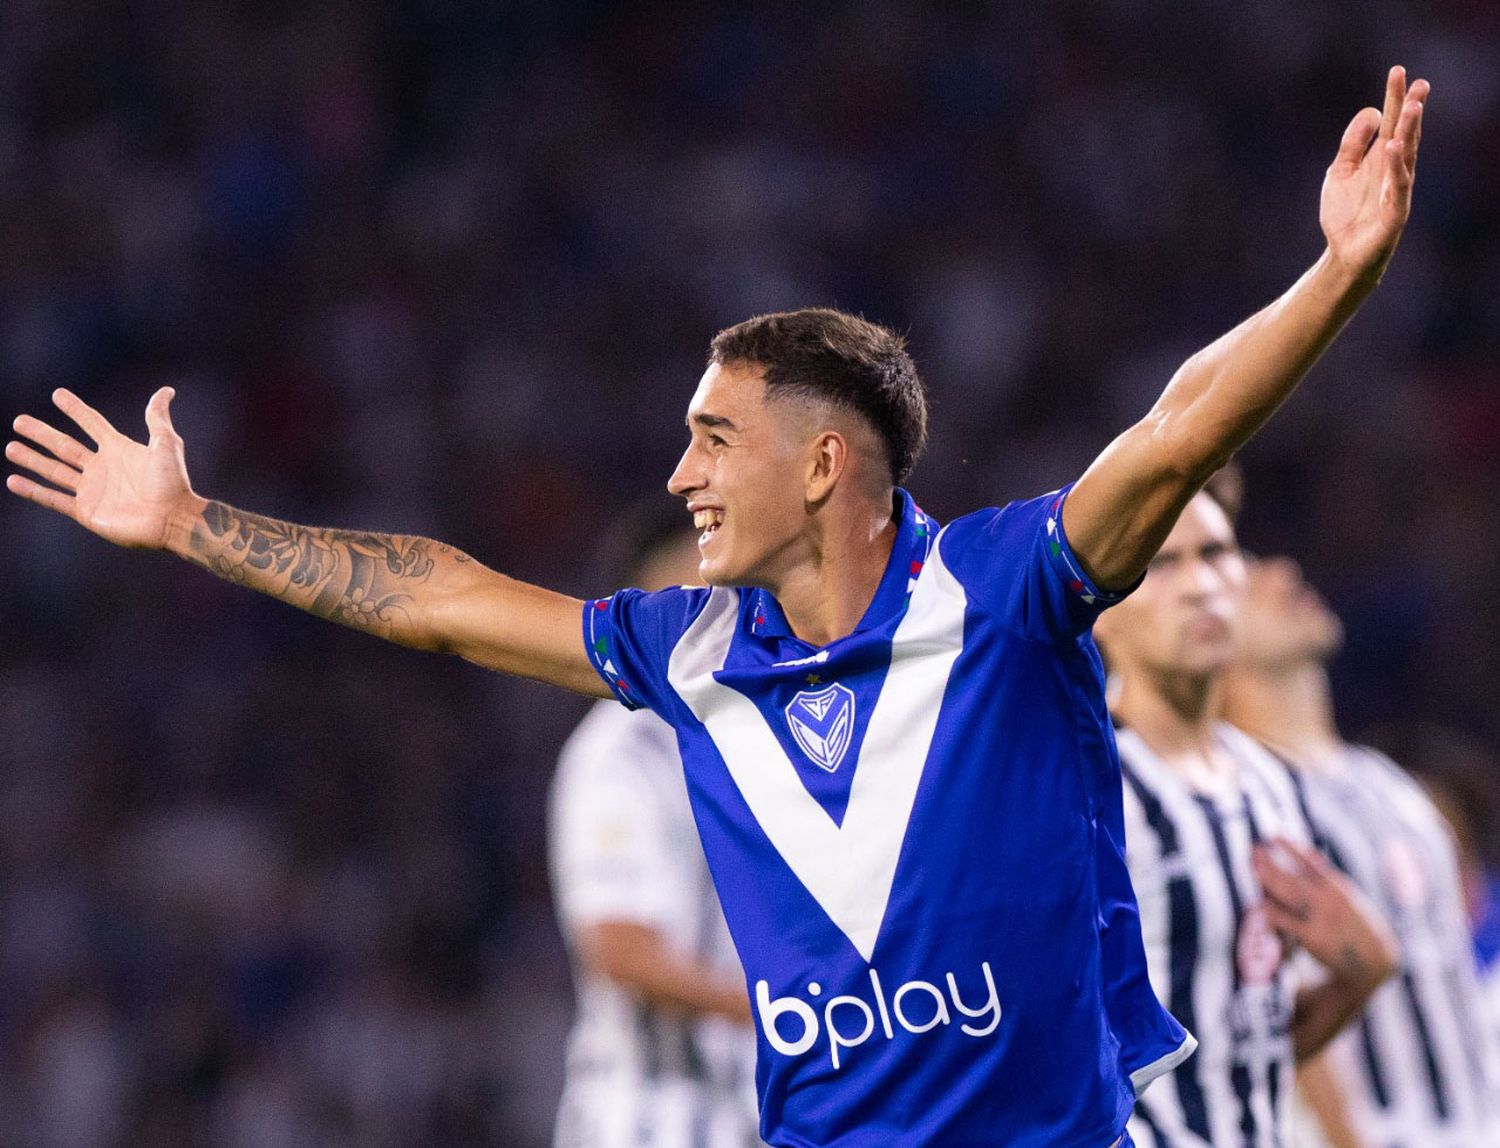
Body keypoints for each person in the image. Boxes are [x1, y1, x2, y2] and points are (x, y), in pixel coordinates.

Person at [4, 68, 1427, 1147]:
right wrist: (195, 525)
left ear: (823, 465)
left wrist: (1340, 275)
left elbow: (1175, 438)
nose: (678, 475)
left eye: (713, 438)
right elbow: (441, 600)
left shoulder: (1001, 593)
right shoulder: (684, 656)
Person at [1093, 489, 1399, 1148]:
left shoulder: (1272, 783)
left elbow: (1247, 1042)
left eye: (1216, 554)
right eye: (1163, 565)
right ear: (1102, 610)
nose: (1201, 585)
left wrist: (1355, 979)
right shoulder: (1086, 787)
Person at [1221, 555, 1500, 1147]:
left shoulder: (1389, 783)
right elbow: (1273, 1013)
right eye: (1248, 582)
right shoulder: (1248, 806)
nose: (1284, 574)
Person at [550, 502, 763, 1148]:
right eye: (686, 596)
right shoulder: (625, 748)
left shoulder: (736, 738)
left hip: (736, 1114)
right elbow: (621, 948)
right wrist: (782, 1011)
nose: (711, 612)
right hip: (647, 1119)